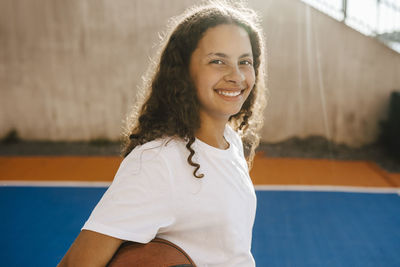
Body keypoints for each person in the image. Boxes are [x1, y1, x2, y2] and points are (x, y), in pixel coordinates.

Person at [58, 1, 267, 266]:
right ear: (184, 72)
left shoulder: (231, 142)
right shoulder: (158, 163)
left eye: (244, 62)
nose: (236, 75)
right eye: (217, 61)